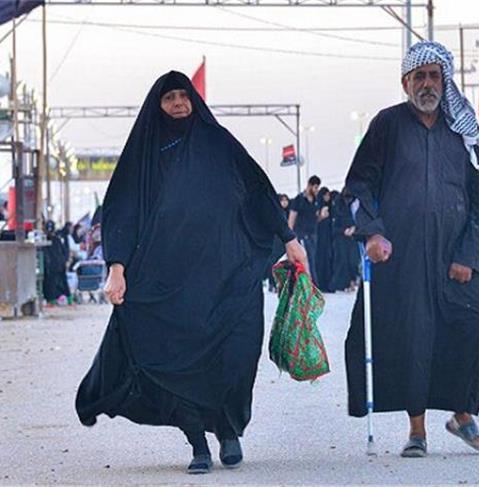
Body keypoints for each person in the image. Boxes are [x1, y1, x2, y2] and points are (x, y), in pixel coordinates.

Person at [75, 71, 308, 474]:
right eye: (170, 98)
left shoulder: (218, 143)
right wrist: (117, 268)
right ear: (157, 105)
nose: (179, 103)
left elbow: (257, 189)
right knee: (176, 360)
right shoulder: (144, 154)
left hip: (228, 272)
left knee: (237, 351)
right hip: (168, 279)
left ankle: (228, 429)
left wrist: (287, 238)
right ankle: (198, 441)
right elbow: (123, 211)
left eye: (185, 96)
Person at [344, 40, 479, 458]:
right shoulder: (387, 125)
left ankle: (462, 413)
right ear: (405, 82)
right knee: (414, 337)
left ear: (444, 81)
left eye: (434, 76)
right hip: (402, 254)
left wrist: (470, 254)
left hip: (456, 256)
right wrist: (373, 234)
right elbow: (358, 186)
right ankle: (417, 430)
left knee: (476, 325)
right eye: (419, 76)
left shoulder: (461, 133)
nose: (427, 84)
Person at [288, 175, 328, 279]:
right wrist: (289, 238)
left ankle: (311, 285)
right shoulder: (299, 200)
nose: (316, 190)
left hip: (312, 234)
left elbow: (315, 218)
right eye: (315, 187)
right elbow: (292, 219)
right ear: (309, 186)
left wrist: (321, 216)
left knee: (312, 261)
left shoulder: (316, 201)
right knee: (304, 262)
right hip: (301, 234)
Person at [328, 189, 359, 292]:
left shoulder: (355, 204)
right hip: (340, 238)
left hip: (352, 238)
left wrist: (354, 228)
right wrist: (344, 230)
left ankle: (351, 282)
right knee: (341, 262)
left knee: (353, 261)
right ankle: (339, 285)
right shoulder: (337, 206)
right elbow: (334, 226)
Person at [42, 220, 72, 305]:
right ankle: (67, 299)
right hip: (58, 265)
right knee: (62, 281)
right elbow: (64, 251)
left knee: (53, 282)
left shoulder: (55, 240)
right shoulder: (57, 240)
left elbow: (63, 251)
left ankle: (53, 301)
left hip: (54, 266)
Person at [314, 187, 335, 292]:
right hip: (319, 238)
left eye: (328, 195)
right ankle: (320, 284)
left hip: (329, 238)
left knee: (328, 260)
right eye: (325, 195)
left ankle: (328, 284)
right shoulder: (317, 207)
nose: (327, 197)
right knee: (320, 260)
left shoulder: (331, 207)